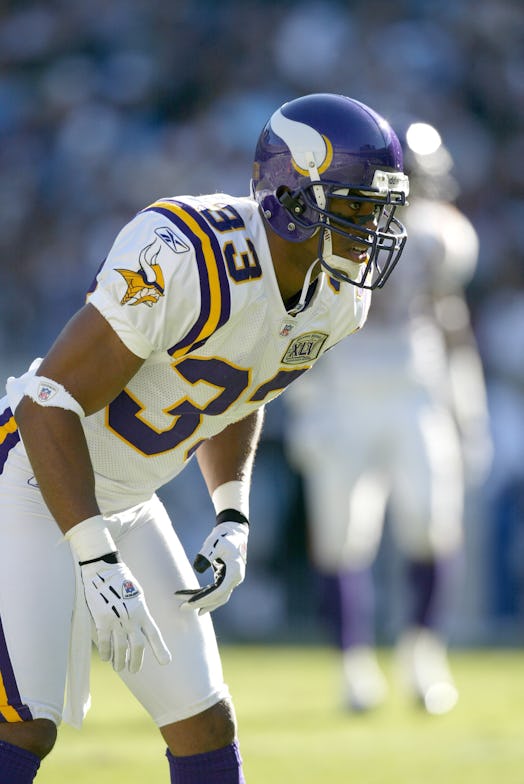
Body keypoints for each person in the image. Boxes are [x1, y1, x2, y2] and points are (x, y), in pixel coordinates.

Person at [0, 92, 409, 783]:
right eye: (356, 206)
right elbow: (47, 403)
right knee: (25, 725)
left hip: (126, 499)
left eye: (377, 210)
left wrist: (232, 511)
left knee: (203, 722)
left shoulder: (339, 298)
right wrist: (94, 558)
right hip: (35, 482)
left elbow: (244, 386)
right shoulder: (185, 250)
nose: (370, 229)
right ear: (292, 194)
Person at [284, 120, 492, 715]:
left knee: (431, 521)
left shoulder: (441, 237)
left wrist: (465, 406)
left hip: (412, 389)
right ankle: (353, 666)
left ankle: (423, 656)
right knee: (340, 536)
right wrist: (306, 403)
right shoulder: (337, 228)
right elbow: (308, 322)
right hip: (345, 391)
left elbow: (449, 320)